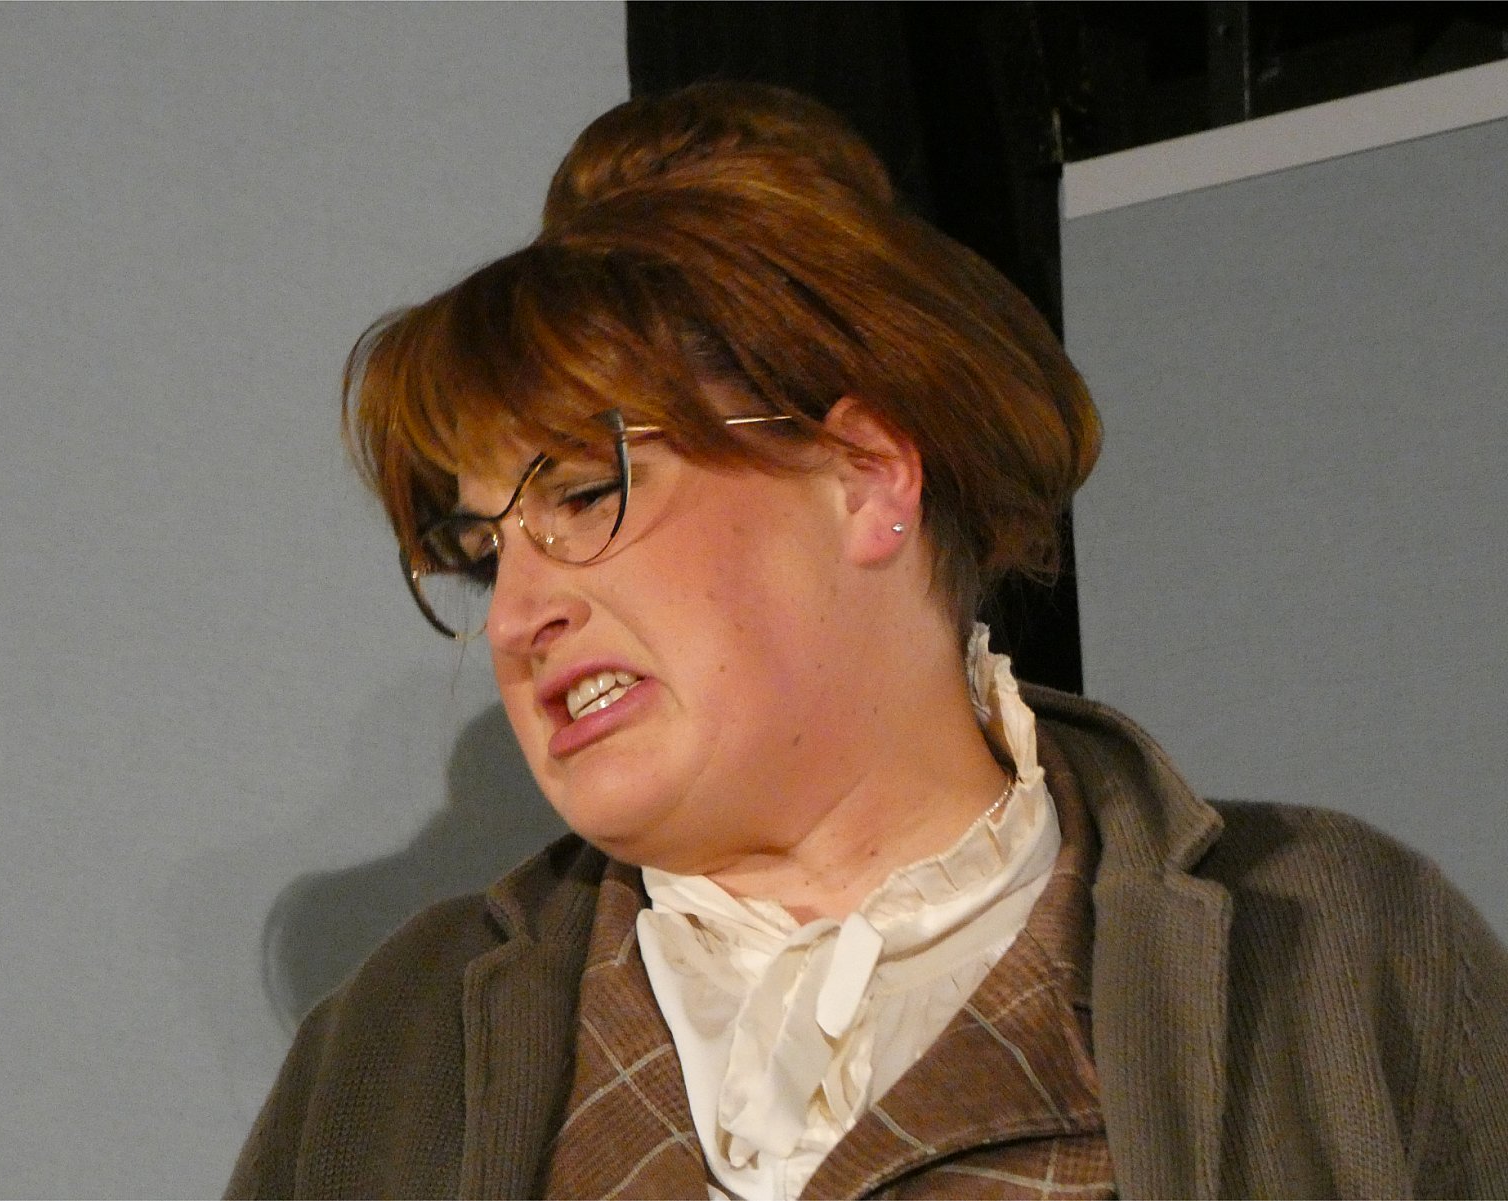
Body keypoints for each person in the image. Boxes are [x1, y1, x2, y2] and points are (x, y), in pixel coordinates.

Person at [226, 83, 1508, 1200]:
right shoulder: (392, 1052)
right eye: (481, 550)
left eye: (581, 491)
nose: (515, 614)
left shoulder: (1333, 949)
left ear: (863, 477)